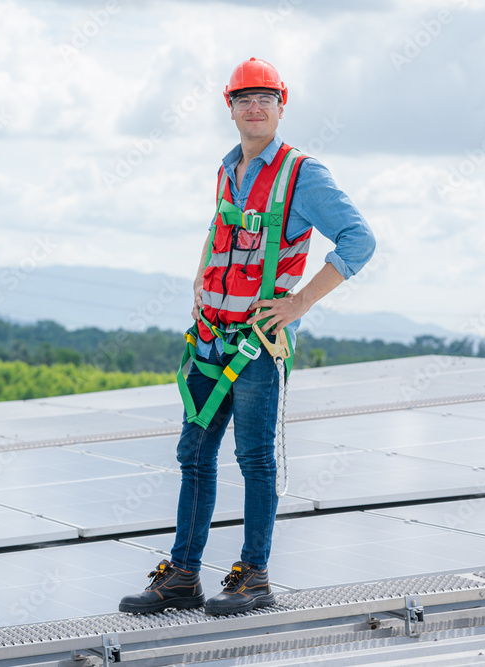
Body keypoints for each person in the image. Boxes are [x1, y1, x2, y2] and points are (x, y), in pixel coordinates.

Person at [119, 57, 376, 616]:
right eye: (243, 99)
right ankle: (183, 576)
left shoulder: (301, 173)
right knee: (193, 455)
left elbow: (359, 240)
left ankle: (253, 578)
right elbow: (223, 233)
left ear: (282, 106)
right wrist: (198, 279)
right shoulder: (228, 169)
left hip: (256, 347)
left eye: (265, 98)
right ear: (229, 108)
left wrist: (299, 303)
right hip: (210, 340)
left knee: (255, 458)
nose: (254, 107)